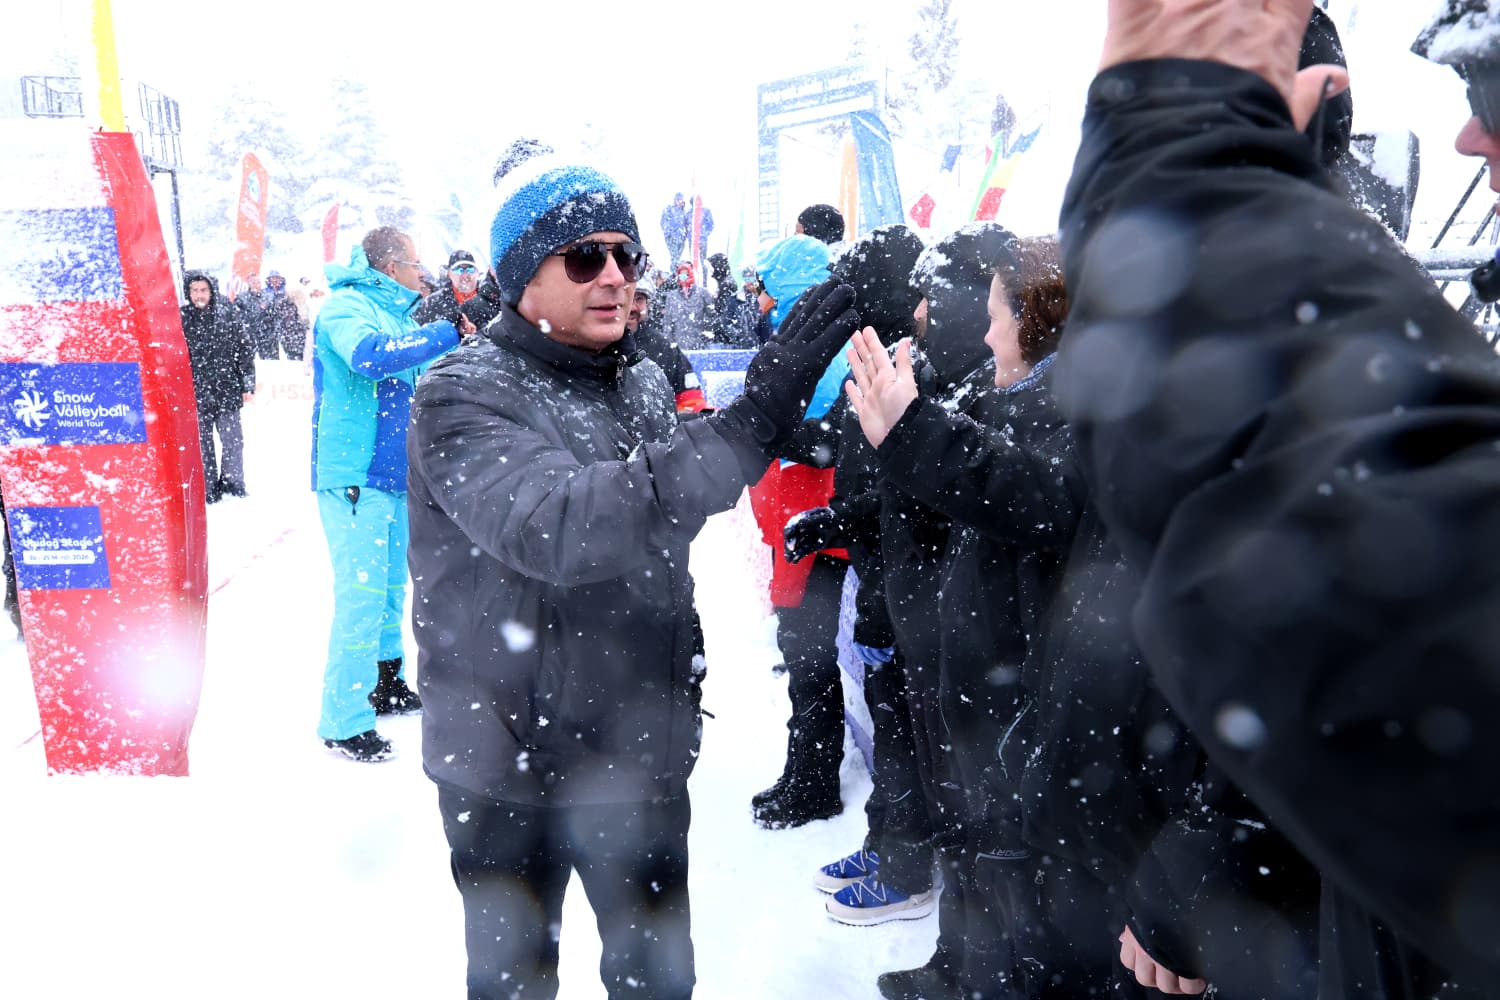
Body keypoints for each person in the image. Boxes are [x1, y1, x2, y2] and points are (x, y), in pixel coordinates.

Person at [1053, 0, 1500, 994]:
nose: (1469, 139)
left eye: (1493, 93)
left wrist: (1213, 855)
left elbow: (1380, 611)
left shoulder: (1355, 306)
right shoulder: (1347, 301)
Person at [405, 149, 859, 999]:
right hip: (503, 767)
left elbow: (660, 520)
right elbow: (561, 525)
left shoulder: (644, 380)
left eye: (627, 255)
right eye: (585, 257)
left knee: (657, 981)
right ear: (520, 276)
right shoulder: (461, 394)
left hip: (635, 751)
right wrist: (750, 423)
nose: (615, 276)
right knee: (513, 985)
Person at [311, 227, 461, 763]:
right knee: (361, 597)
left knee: (392, 589)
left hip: (396, 477)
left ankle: (385, 681)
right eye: (417, 264)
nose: (424, 274)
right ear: (392, 267)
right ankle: (344, 720)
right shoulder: (346, 308)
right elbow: (370, 358)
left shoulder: (400, 318)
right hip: (355, 474)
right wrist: (443, 334)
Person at [746, 233, 853, 830]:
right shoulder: (801, 338)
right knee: (804, 651)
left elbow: (820, 440)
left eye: (765, 281)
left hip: (813, 525)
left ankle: (814, 782)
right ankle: (805, 772)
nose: (756, 293)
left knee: (808, 654)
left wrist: (762, 429)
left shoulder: (821, 350)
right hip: (802, 517)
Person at [180, 270, 255, 504]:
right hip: (196, 393)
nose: (199, 295)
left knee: (233, 441)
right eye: (194, 290)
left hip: (227, 390)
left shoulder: (227, 314)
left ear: (211, 291)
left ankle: (233, 484)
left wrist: (247, 383)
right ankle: (208, 486)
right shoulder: (181, 319)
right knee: (202, 444)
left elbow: (244, 349)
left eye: (203, 290)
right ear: (188, 293)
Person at [628, 280, 708, 413]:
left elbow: (692, 403)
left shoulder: (665, 348)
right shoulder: (594, 347)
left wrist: (672, 421)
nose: (632, 308)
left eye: (639, 299)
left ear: (648, 304)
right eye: (626, 297)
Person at [415, 249, 484, 338]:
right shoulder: (433, 303)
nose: (465, 275)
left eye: (470, 269)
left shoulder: (489, 297)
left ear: (477, 272)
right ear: (449, 274)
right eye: (459, 270)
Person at [661, 260, 717, 350]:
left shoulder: (703, 293)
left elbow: (711, 317)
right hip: (678, 345)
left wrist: (706, 336)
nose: (684, 278)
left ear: (691, 274)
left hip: (699, 345)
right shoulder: (671, 296)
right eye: (681, 275)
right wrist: (669, 343)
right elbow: (667, 322)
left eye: (686, 274)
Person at [263, 270, 309, 361]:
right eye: (273, 278)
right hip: (271, 326)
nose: (275, 280)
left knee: (294, 351)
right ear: (269, 279)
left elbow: (297, 305)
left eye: (277, 278)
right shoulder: (265, 292)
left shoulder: (287, 291)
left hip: (288, 327)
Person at [660, 191, 690, 264]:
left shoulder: (684, 212)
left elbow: (686, 224)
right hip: (671, 237)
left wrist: (685, 235)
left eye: (680, 200)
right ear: (675, 200)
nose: (679, 201)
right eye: (678, 199)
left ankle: (676, 269)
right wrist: (669, 232)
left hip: (681, 238)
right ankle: (674, 270)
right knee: (674, 257)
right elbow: (663, 222)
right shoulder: (669, 209)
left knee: (677, 258)